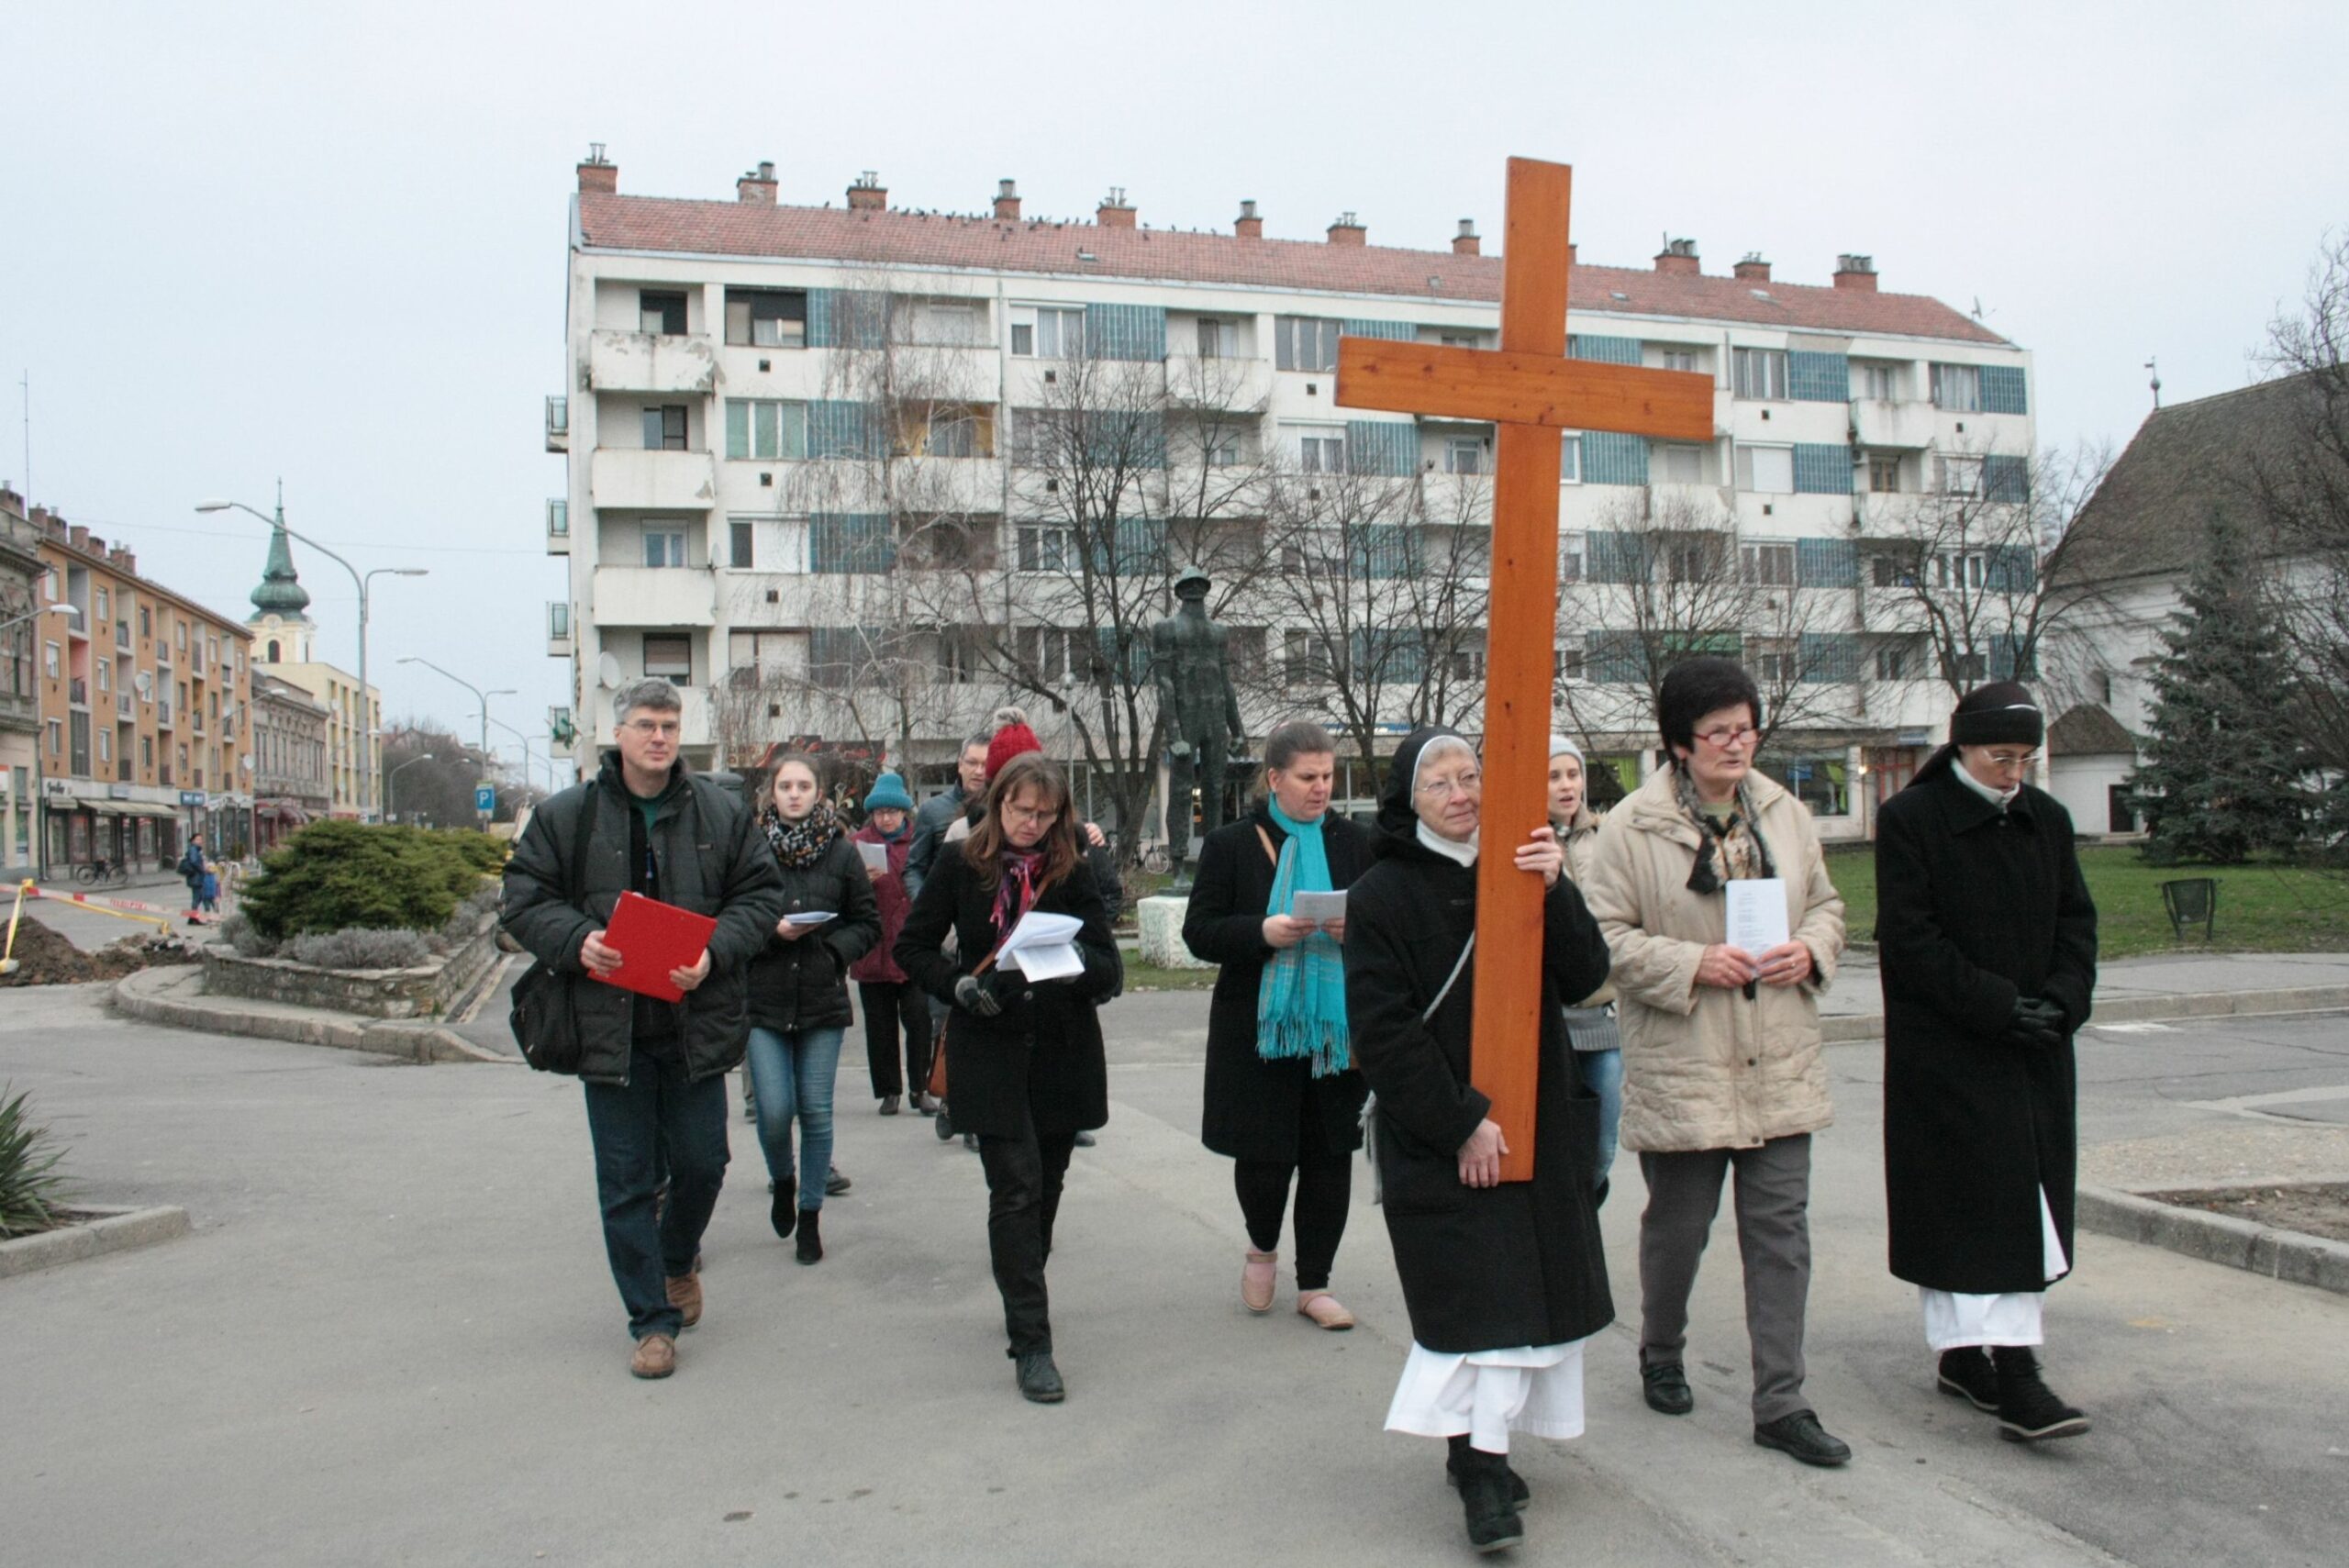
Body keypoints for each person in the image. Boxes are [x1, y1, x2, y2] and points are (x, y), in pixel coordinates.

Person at [1346, 725, 1615, 1553]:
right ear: (1408, 799)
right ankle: (1483, 1474)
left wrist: (1557, 887)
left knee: (1524, 1303)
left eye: (1472, 777)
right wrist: (1460, 1121)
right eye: (1440, 783)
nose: (1461, 793)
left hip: (1537, 1119)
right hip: (1443, 1132)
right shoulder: (1384, 892)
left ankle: (1481, 1451)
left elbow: (1586, 973)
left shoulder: (1524, 861)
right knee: (1478, 1306)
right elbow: (1384, 1033)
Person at [1581, 657, 1850, 1466]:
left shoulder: (1785, 811)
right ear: (1678, 741)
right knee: (1679, 1228)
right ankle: (1661, 1348)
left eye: (1747, 727)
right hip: (1686, 1059)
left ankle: (1782, 1401)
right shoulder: (1630, 826)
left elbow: (1830, 905)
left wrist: (1810, 949)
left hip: (1779, 1060)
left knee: (1780, 1234)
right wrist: (1693, 964)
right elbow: (1603, 938)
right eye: (1720, 731)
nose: (1739, 743)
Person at [501, 678, 784, 1379]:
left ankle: (678, 1253)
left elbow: (761, 893)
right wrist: (577, 941)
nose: (659, 736)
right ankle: (651, 1321)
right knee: (625, 1181)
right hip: (611, 1030)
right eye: (645, 724)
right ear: (616, 733)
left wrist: (713, 950)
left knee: (702, 1164)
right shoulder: (568, 816)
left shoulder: (719, 810)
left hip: (694, 1022)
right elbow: (523, 897)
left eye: (669, 724)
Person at [1876, 682, 2098, 1443]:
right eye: (1999, 757)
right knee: (1978, 1211)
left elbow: (2077, 921)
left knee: (2018, 1205)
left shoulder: (2049, 820)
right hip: (1952, 1051)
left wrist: (2065, 1000)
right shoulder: (1912, 819)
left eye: (2024, 759)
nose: (2013, 773)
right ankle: (2015, 1372)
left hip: (2034, 1050)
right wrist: (1998, 1005)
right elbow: (1911, 940)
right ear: (1962, 747)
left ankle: (1975, 1358)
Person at [894, 751, 1121, 1404]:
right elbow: (912, 946)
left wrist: (1076, 955)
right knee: (1015, 1190)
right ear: (998, 803)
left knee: (1045, 1188)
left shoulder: (1074, 870)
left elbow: (1110, 970)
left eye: (1045, 813)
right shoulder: (960, 863)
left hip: (1061, 1050)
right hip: (988, 1048)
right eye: (1022, 809)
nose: (1031, 822)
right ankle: (1032, 1342)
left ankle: (1023, 1284)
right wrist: (959, 984)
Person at [1183, 718, 1374, 1330]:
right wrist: (1262, 932)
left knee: (1329, 1156)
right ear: (1274, 779)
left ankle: (1315, 1282)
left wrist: (1358, 928)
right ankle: (1261, 1244)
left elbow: (1388, 919)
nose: (1322, 787)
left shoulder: (1356, 841)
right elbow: (1201, 930)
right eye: (1308, 776)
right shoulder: (1232, 843)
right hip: (1258, 1030)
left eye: (1328, 775)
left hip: (1336, 1032)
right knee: (1265, 1160)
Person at [745, 752, 880, 1263]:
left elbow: (867, 923)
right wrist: (771, 931)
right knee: (776, 1110)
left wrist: (831, 951)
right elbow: (732, 917)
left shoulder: (842, 853)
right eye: (786, 785)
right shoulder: (752, 850)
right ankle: (782, 1177)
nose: (795, 793)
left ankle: (810, 1215)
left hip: (822, 998)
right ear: (772, 793)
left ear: (819, 793)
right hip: (764, 1000)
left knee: (817, 1112)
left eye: (804, 785)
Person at [1549, 736, 1623, 1197]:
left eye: (1572, 774)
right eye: (1553, 776)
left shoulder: (1609, 837)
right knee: (1557, 1144)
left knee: (1601, 1144)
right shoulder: (1520, 841)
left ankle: (1583, 1221)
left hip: (1603, 1017)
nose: (1566, 785)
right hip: (1551, 1021)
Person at [849, 771, 932, 1117]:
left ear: (904, 813)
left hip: (910, 948)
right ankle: (889, 1091)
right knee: (880, 1027)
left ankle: (920, 1088)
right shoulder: (857, 844)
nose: (886, 818)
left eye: (892, 812)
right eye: (880, 812)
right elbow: (844, 897)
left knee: (919, 1020)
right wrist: (861, 884)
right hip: (872, 948)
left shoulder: (917, 842)